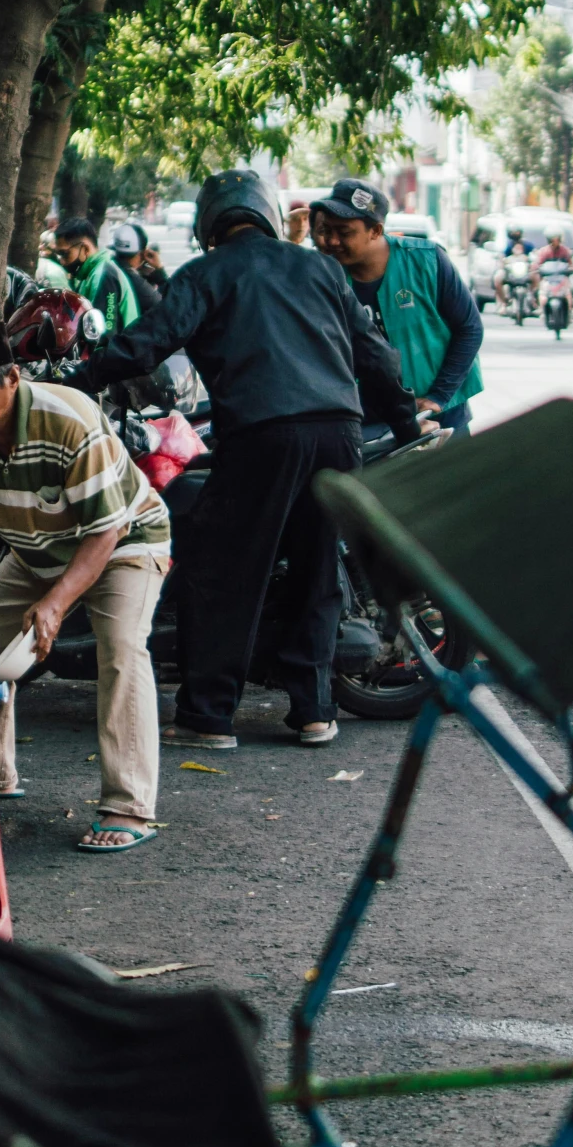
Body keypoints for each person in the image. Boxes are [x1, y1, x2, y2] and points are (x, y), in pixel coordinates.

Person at [70, 170, 419, 752]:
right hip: (339, 432)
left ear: (210, 224)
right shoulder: (321, 269)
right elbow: (376, 357)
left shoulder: (203, 274)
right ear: (269, 214)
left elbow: (147, 344)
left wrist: (79, 380)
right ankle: (314, 712)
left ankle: (209, 716)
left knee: (224, 572)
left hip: (262, 435)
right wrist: (405, 424)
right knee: (318, 572)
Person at [0, 317, 171, 853]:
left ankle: (129, 805)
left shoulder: (70, 419)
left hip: (127, 543)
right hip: (36, 552)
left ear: (11, 377)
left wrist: (56, 603)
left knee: (123, 650)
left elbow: (108, 530)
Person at [312, 179, 485, 437]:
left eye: (345, 233)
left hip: (440, 417)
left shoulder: (427, 261)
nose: (333, 241)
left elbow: (470, 329)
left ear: (376, 231)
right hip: (365, 426)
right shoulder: (322, 275)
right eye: (327, 230)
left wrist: (439, 396)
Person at [53, 217, 141, 334]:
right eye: (59, 255)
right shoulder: (88, 275)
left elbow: (103, 336)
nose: (62, 261)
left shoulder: (103, 276)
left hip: (119, 351)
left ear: (85, 249)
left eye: (65, 254)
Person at [108, 222, 164, 314]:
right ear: (143, 253)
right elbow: (165, 305)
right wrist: (159, 270)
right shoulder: (133, 279)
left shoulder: (109, 268)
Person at [493, 222, 530, 312]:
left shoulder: (527, 245)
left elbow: (535, 255)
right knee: (497, 278)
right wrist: (503, 263)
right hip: (510, 272)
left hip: (525, 272)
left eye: (517, 233)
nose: (515, 235)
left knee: (536, 276)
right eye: (513, 233)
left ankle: (533, 300)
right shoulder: (508, 246)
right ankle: (504, 302)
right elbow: (502, 257)